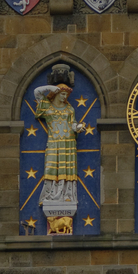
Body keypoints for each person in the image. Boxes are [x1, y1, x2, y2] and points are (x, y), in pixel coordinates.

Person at [34, 74, 85, 212]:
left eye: (66, 95)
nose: (64, 97)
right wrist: (50, 88)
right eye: (62, 94)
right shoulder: (46, 106)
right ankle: (51, 194)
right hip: (54, 142)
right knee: (51, 168)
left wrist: (77, 128)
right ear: (56, 94)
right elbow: (37, 93)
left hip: (68, 142)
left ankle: (67, 195)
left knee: (67, 170)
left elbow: (72, 124)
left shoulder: (69, 109)